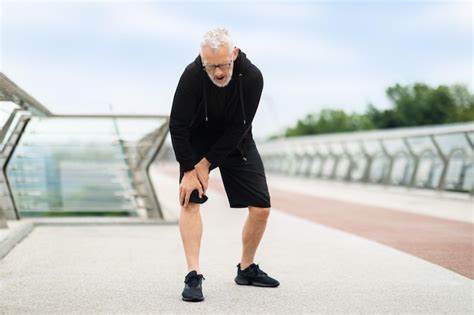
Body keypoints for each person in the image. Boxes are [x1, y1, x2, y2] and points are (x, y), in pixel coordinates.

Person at [169, 28, 280, 302]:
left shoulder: (253, 77)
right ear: (202, 60)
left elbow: (239, 127)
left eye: (223, 64)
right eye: (211, 66)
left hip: (236, 139)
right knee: (189, 200)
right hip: (197, 140)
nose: (218, 72)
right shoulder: (192, 75)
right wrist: (189, 170)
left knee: (262, 208)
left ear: (234, 54)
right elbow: (178, 125)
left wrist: (208, 164)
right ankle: (193, 274)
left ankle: (247, 268)